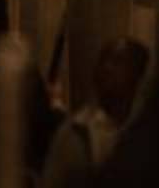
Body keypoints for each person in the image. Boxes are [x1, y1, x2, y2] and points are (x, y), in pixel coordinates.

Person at [41, 37, 150, 188]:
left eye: (118, 62)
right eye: (103, 60)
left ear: (138, 75)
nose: (107, 68)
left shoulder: (149, 134)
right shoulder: (73, 134)